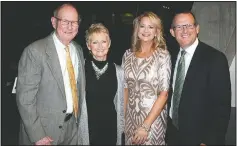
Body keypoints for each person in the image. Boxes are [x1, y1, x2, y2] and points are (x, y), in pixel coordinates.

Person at [16, 3, 86, 145]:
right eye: (65, 21)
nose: (70, 26)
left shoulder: (78, 50)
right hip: (45, 133)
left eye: (74, 22)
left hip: (73, 128)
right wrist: (38, 135)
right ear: (54, 22)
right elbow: (25, 99)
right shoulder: (35, 51)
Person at [166, 11, 231, 145]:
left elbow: (221, 106)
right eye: (179, 26)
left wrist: (209, 141)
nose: (184, 30)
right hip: (173, 134)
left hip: (200, 138)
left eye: (189, 25)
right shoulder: (169, 58)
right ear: (172, 32)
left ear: (197, 29)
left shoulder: (215, 58)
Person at [122, 12, 171, 145]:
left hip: (152, 122)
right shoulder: (127, 54)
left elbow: (164, 94)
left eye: (151, 27)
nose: (145, 30)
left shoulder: (162, 55)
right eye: (142, 26)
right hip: (130, 120)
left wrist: (145, 126)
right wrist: (122, 119)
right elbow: (125, 89)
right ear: (137, 29)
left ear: (156, 31)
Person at [77, 23, 124, 145]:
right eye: (94, 42)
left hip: (110, 129)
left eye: (103, 41)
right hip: (88, 130)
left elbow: (122, 104)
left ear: (109, 43)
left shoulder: (119, 71)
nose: (99, 46)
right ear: (88, 45)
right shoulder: (79, 69)